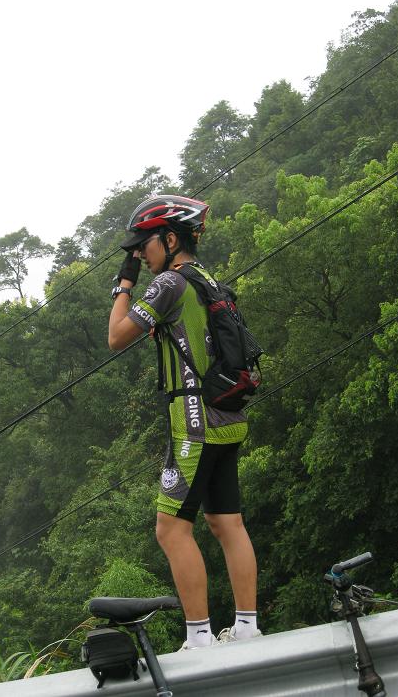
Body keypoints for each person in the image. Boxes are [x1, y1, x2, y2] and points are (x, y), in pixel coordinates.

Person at [108, 195, 260, 649]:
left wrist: (123, 285)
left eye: (145, 244)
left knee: (171, 529)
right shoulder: (206, 280)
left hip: (195, 419)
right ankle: (248, 627)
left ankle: (199, 637)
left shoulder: (169, 283)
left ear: (171, 239)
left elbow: (116, 336)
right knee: (227, 522)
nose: (140, 253)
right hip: (229, 413)